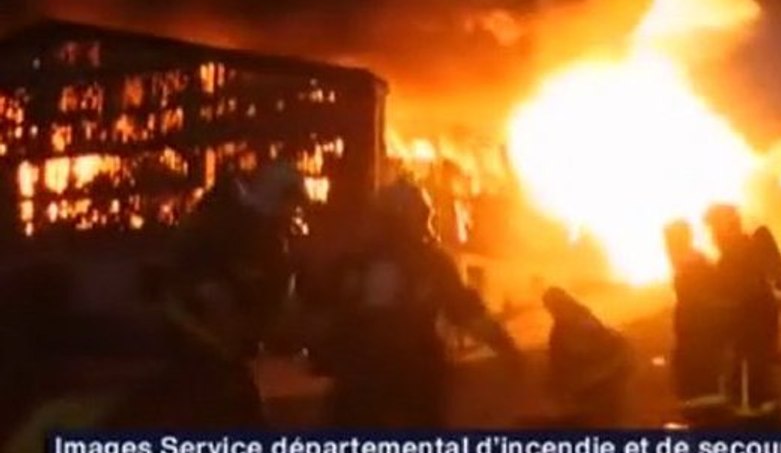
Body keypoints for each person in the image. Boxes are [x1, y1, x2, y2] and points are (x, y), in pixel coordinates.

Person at [304, 176, 520, 429]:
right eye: (420, 217)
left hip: (362, 372)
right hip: (414, 371)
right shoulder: (430, 263)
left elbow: (320, 314)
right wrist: (506, 348)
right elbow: (466, 312)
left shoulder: (353, 264)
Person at [160, 159, 309, 427]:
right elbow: (209, 293)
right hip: (202, 347)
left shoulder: (267, 240)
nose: (294, 212)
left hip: (218, 350)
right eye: (291, 203)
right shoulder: (236, 234)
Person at [704, 204, 781, 418]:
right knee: (754, 360)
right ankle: (760, 406)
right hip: (757, 311)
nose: (712, 236)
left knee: (748, 361)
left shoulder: (737, 252)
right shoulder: (746, 247)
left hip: (751, 313)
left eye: (714, 228)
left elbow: (734, 289)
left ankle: (753, 409)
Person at [663, 220, 730, 424]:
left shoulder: (692, 264)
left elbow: (702, 298)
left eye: (669, 240)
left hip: (698, 331)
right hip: (697, 331)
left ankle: (706, 419)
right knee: (699, 377)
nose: (666, 246)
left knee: (699, 378)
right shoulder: (691, 261)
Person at [542, 286, 634, 428]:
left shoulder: (580, 320)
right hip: (594, 390)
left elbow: (607, 343)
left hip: (603, 387)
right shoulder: (563, 332)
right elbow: (566, 371)